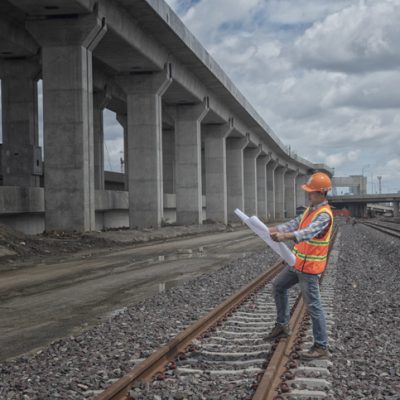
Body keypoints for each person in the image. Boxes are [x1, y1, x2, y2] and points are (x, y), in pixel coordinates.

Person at [265, 172, 334, 360]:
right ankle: (282, 325)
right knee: (278, 286)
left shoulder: (324, 215)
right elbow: (295, 223)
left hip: (310, 268)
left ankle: (321, 346)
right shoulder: (310, 209)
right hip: (297, 263)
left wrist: (285, 237)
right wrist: (274, 230)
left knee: (313, 306)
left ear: (321, 193)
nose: (308, 195)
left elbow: (307, 233)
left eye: (311, 192)